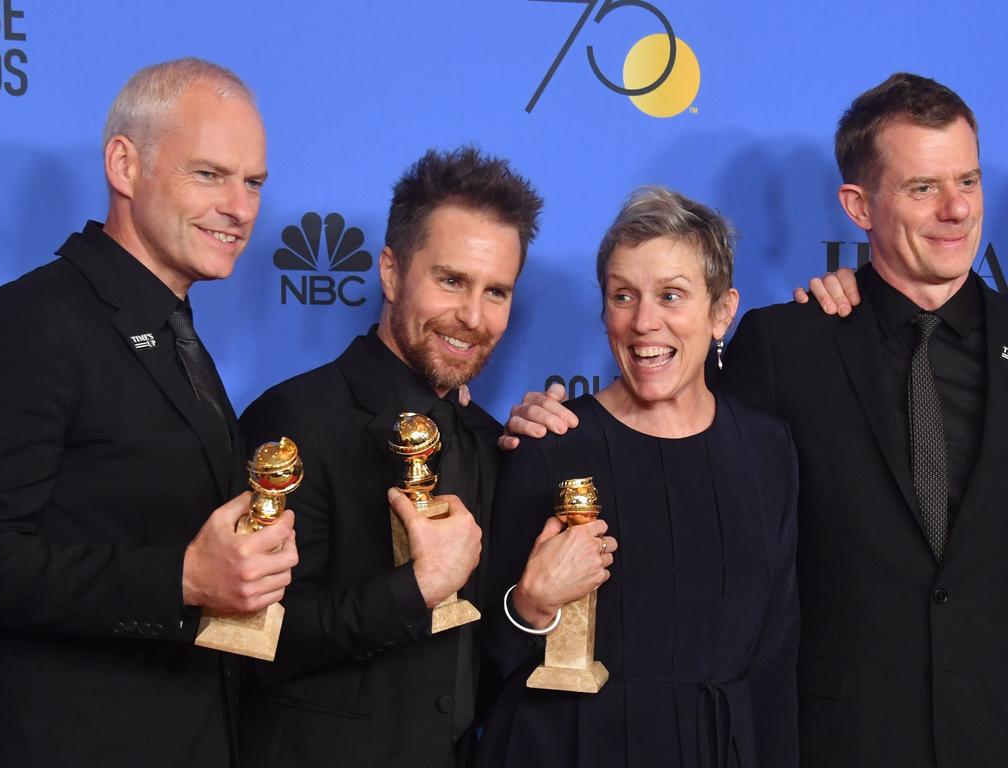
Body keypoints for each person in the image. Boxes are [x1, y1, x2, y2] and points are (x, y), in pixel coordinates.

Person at [507, 72, 1006, 768]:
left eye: (970, 181)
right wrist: (551, 423)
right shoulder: (785, 346)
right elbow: (667, 412)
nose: (956, 210)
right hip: (834, 740)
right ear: (858, 206)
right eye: (923, 188)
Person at [0, 58, 298, 767]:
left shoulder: (171, 329)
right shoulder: (29, 323)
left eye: (253, 183)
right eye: (210, 174)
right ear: (125, 166)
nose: (240, 209)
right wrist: (181, 580)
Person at [238, 146, 543, 768]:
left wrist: (534, 607)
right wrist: (416, 589)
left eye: (497, 292)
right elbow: (254, 636)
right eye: (451, 280)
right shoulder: (296, 419)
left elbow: (477, 659)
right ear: (391, 272)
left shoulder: (489, 442)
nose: (472, 316)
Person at [479, 186, 798, 768]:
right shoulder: (550, 446)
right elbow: (483, 657)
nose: (644, 322)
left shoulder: (768, 450)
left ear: (722, 310)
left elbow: (775, 656)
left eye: (671, 296)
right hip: (566, 748)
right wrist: (529, 605)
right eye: (623, 296)